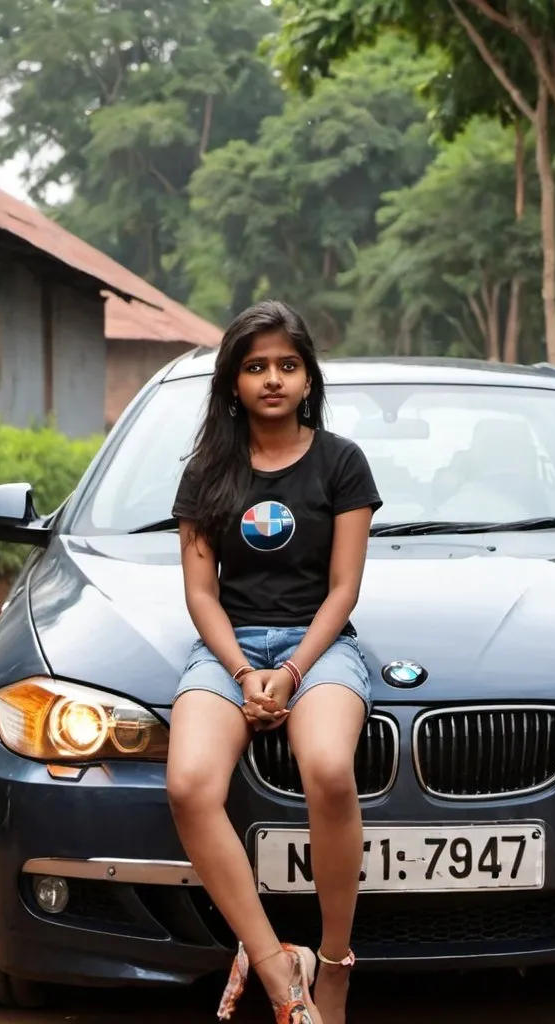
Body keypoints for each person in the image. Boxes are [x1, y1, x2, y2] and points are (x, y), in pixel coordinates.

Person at [166, 300, 382, 1024]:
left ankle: (335, 962)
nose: (272, 379)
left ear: (308, 379)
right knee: (191, 783)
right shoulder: (206, 472)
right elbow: (200, 594)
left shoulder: (341, 463)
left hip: (319, 649)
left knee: (327, 766)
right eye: (256, 366)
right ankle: (276, 967)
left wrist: (289, 672)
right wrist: (240, 671)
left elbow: (344, 589)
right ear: (233, 382)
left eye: (287, 366)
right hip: (228, 649)